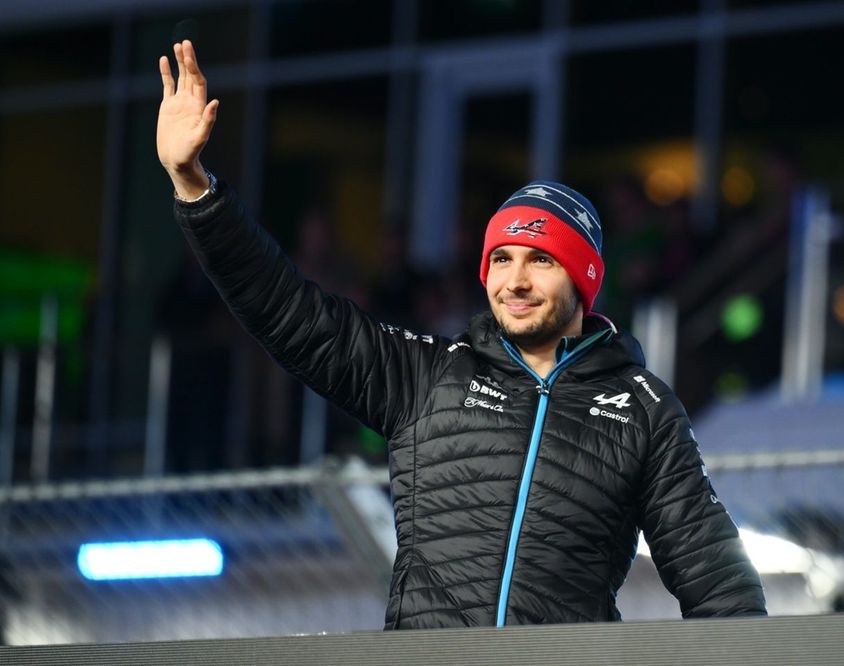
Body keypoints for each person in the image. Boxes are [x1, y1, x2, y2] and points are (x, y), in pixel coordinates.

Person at [157, 40, 766, 629]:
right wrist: (195, 187)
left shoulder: (645, 410)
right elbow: (286, 310)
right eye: (501, 259)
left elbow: (719, 586)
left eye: (542, 261)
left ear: (584, 279)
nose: (516, 281)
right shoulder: (431, 374)